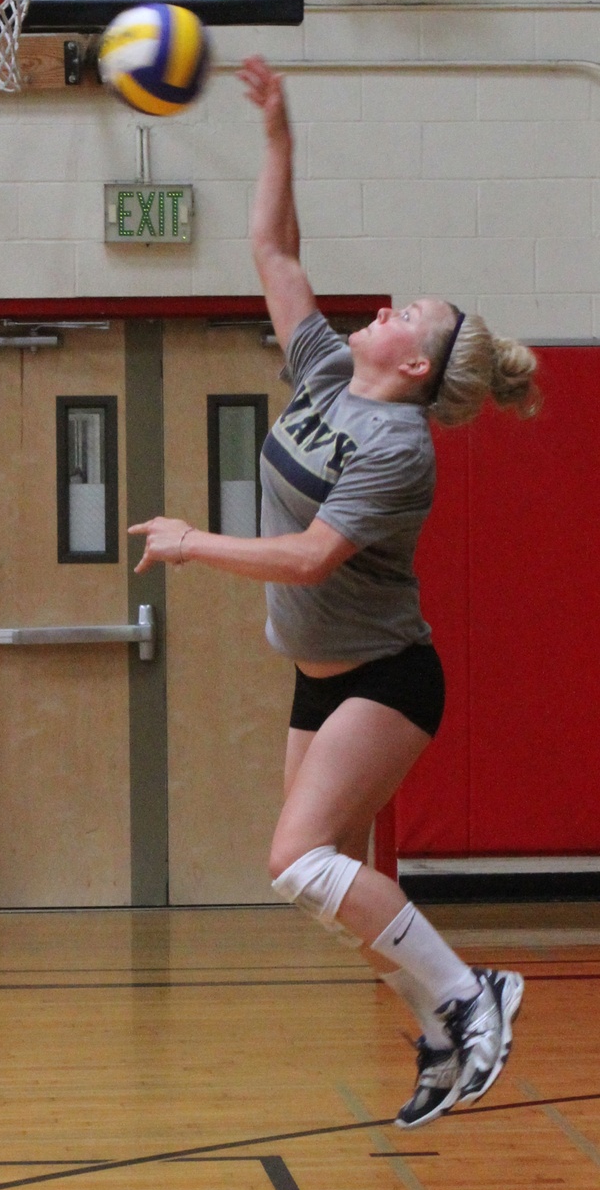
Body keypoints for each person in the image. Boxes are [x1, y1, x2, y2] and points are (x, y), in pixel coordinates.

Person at [129, 56, 541, 1130]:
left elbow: (312, 556)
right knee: (330, 887)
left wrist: (191, 542)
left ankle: (470, 992)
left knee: (296, 861)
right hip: (321, 679)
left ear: (415, 365)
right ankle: (444, 1037)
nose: (396, 305)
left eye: (416, 313)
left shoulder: (400, 445)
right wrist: (276, 132)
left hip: (388, 679)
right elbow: (273, 250)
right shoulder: (322, 376)